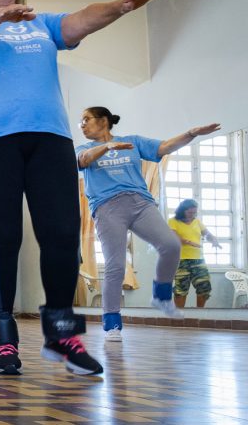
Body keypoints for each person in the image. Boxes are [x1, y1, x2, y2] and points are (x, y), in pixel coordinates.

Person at [0, 0, 165, 376]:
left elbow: (82, 19)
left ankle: (63, 337)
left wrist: (123, 5)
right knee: (3, 238)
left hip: (50, 139)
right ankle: (3, 340)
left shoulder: (42, 24)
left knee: (64, 236)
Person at [77, 107, 219, 340]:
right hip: (107, 207)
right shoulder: (83, 148)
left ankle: (161, 296)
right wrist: (107, 147)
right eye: (80, 122)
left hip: (140, 203)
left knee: (171, 245)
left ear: (103, 121)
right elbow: (83, 160)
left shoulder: (132, 141)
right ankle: (112, 323)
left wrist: (191, 133)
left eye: (86, 119)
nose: (82, 125)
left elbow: (164, 147)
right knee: (115, 265)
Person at [169, 199, 222, 308]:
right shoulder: (173, 221)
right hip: (180, 260)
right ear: (182, 210)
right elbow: (173, 237)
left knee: (204, 288)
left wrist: (213, 239)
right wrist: (188, 242)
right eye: (190, 212)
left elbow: (207, 234)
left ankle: (199, 313)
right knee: (181, 290)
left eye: (194, 212)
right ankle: (179, 314)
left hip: (198, 260)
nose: (192, 215)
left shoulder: (197, 221)